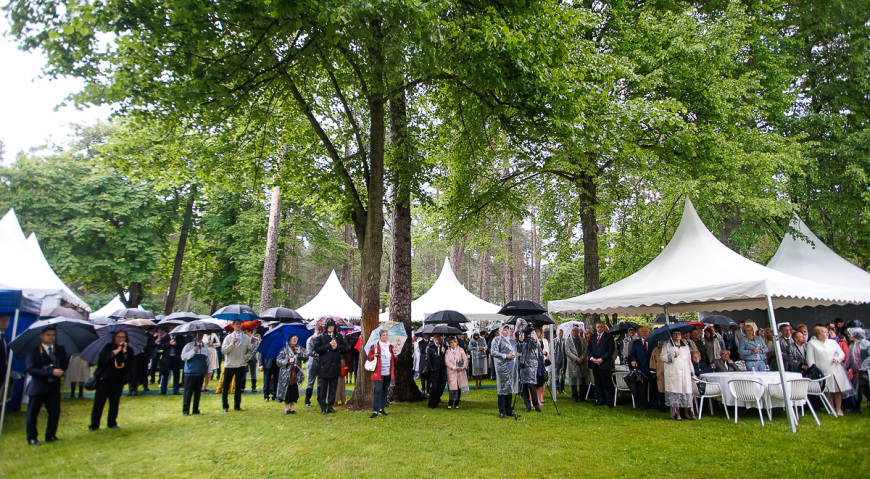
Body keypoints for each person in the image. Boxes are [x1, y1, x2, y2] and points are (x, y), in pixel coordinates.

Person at [25, 326, 68, 446]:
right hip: (38, 386)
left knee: (55, 411)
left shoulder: (59, 349)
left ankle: (51, 434)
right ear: (42, 336)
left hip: (53, 387)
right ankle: (32, 437)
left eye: (53, 335)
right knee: (33, 413)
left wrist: (61, 371)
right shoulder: (34, 351)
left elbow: (64, 363)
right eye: (48, 335)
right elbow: (31, 369)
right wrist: (50, 372)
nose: (51, 337)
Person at [89, 329, 132, 431]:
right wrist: (115, 352)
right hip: (104, 379)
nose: (120, 339)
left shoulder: (128, 350)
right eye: (118, 337)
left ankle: (112, 422)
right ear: (114, 338)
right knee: (99, 403)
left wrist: (124, 351)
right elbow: (101, 362)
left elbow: (128, 364)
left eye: (123, 337)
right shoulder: (108, 347)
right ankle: (94, 424)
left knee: (114, 403)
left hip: (118, 380)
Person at [807, 325, 853, 416]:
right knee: (828, 390)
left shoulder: (832, 342)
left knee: (837, 390)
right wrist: (815, 371)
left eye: (827, 332)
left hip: (835, 369)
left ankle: (839, 409)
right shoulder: (812, 343)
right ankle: (831, 408)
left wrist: (837, 359)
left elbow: (841, 354)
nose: (827, 333)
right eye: (824, 332)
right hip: (822, 370)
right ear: (818, 334)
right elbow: (810, 359)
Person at [312, 318, 348, 415]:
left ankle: (330, 406)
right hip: (324, 365)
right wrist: (328, 346)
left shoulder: (338, 336)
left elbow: (345, 347)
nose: (331, 328)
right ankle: (323, 406)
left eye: (332, 326)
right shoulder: (320, 337)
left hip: (335, 364)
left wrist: (337, 347)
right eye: (329, 326)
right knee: (323, 388)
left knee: (333, 387)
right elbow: (316, 349)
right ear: (326, 327)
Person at [221, 319, 254, 412]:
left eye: (240, 324)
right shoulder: (228, 338)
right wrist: (232, 343)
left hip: (240, 364)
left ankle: (237, 405)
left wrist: (245, 357)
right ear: (233, 326)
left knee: (239, 386)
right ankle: (225, 406)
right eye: (236, 324)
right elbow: (224, 351)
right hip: (229, 365)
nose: (238, 326)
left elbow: (250, 350)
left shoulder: (246, 338)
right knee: (226, 386)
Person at [661, 330, 695, 420]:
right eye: (675, 334)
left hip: (685, 373)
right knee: (676, 393)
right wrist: (672, 355)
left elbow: (689, 360)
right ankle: (677, 414)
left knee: (686, 392)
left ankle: (687, 413)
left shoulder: (685, 346)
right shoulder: (667, 346)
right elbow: (662, 357)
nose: (677, 335)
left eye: (679, 334)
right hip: (674, 373)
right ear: (671, 335)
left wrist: (692, 372)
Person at [490, 324, 518, 419]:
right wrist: (505, 356)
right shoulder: (496, 340)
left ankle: (509, 409)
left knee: (509, 388)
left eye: (508, 330)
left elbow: (517, 351)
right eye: (504, 330)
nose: (506, 331)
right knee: (502, 389)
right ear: (501, 330)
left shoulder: (512, 341)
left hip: (511, 367)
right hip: (502, 367)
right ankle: (502, 410)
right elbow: (493, 352)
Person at [276, 334, 308, 415]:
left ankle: (292, 408)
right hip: (286, 374)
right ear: (289, 340)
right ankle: (286, 408)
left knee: (294, 390)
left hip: (295, 374)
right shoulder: (284, 349)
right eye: (293, 338)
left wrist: (299, 353)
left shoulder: (299, 348)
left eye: (296, 338)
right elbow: (278, 361)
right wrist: (287, 361)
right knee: (286, 391)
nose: (295, 340)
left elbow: (306, 357)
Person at [180, 331, 209, 416]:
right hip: (190, 372)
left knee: (197, 393)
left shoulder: (205, 347)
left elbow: (207, 359)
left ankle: (195, 409)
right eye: (199, 334)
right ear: (195, 335)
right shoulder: (189, 345)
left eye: (202, 335)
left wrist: (209, 370)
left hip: (200, 372)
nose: (200, 336)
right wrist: (193, 351)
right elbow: (183, 357)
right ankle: (186, 410)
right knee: (188, 392)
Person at [588, 321, 615, 407]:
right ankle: (599, 400)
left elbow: (610, 350)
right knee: (598, 383)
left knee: (606, 383)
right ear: (596, 328)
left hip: (605, 364)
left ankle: (609, 401)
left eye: (601, 327)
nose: (600, 328)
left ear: (604, 327)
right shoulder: (592, 337)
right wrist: (592, 358)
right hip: (595, 364)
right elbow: (589, 349)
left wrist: (601, 359)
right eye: (598, 327)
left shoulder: (609, 337)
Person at [628, 326, 655, 409]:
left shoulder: (653, 342)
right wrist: (633, 360)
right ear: (639, 333)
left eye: (646, 331)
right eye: (642, 331)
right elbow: (632, 354)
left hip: (652, 367)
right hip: (641, 367)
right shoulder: (636, 343)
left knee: (653, 387)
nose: (644, 333)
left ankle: (653, 403)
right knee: (642, 387)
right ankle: (643, 404)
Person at [846, 328, 870, 413]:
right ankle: (857, 407)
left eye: (850, 334)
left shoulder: (866, 344)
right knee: (857, 390)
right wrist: (846, 368)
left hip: (866, 372)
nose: (849, 336)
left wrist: (864, 367)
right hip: (856, 372)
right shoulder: (852, 345)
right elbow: (850, 358)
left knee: (866, 388)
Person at [157, 326, 187, 395]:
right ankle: (163, 390)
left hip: (176, 358)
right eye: (171, 328)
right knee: (165, 374)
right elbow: (161, 346)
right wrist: (169, 344)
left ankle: (176, 390)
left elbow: (183, 346)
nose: (172, 329)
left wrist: (176, 344)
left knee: (177, 374)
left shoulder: (180, 337)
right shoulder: (165, 337)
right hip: (167, 358)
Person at [565, 325, 588, 402]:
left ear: (578, 332)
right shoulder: (568, 340)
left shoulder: (583, 340)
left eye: (576, 331)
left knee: (582, 379)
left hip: (582, 362)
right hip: (573, 363)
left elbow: (586, 349)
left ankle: (582, 396)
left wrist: (581, 357)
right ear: (571, 332)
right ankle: (574, 396)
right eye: (573, 331)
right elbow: (568, 351)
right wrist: (576, 358)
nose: (575, 332)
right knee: (573, 380)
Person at [444, 337, 468, 410]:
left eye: (454, 342)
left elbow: (465, 359)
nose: (453, 344)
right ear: (449, 344)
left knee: (459, 386)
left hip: (460, 371)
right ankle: (450, 402)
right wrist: (453, 367)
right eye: (451, 343)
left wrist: (462, 367)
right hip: (452, 372)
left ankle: (457, 403)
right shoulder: (448, 352)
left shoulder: (461, 350)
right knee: (452, 387)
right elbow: (447, 361)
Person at [304, 324, 324, 408]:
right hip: (312, 361)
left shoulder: (323, 339)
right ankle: (307, 400)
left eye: (321, 330)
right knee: (310, 381)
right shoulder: (311, 339)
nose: (319, 331)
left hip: (320, 362)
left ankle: (320, 400)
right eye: (318, 330)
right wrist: (320, 355)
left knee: (320, 382)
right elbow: (309, 352)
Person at [426, 333, 447, 409]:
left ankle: (436, 401)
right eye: (436, 337)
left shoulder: (442, 346)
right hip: (434, 370)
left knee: (440, 386)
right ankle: (431, 403)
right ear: (433, 338)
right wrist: (431, 369)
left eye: (439, 337)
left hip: (441, 369)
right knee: (434, 387)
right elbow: (427, 359)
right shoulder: (430, 347)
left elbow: (444, 358)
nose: (438, 339)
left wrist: (443, 352)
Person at [552, 328, 566, 394]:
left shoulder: (564, 341)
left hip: (563, 360)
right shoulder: (554, 341)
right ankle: (557, 388)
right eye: (559, 333)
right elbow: (551, 351)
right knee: (556, 375)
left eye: (561, 333)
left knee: (563, 374)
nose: (561, 334)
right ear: (557, 333)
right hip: (556, 360)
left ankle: (562, 388)